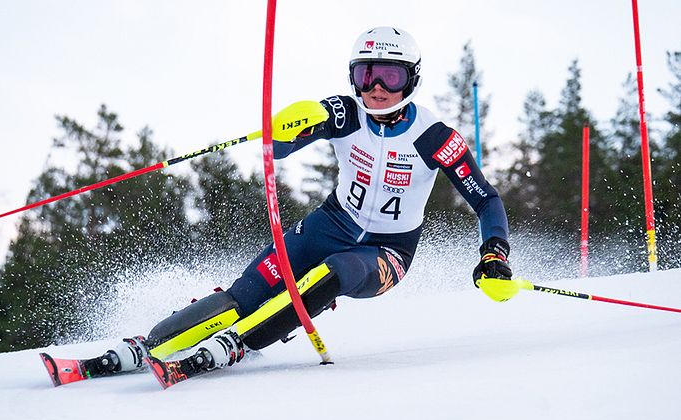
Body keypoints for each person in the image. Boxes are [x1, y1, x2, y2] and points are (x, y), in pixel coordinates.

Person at [97, 26, 513, 376]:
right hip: (328, 226)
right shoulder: (346, 113)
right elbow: (281, 147)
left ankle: (242, 343)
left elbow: (486, 200)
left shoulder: (434, 136)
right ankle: (151, 343)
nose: (377, 88)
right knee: (245, 296)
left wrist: (494, 254)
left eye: (391, 75)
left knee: (336, 271)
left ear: (411, 79)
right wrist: (290, 126)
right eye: (366, 75)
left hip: (386, 251)